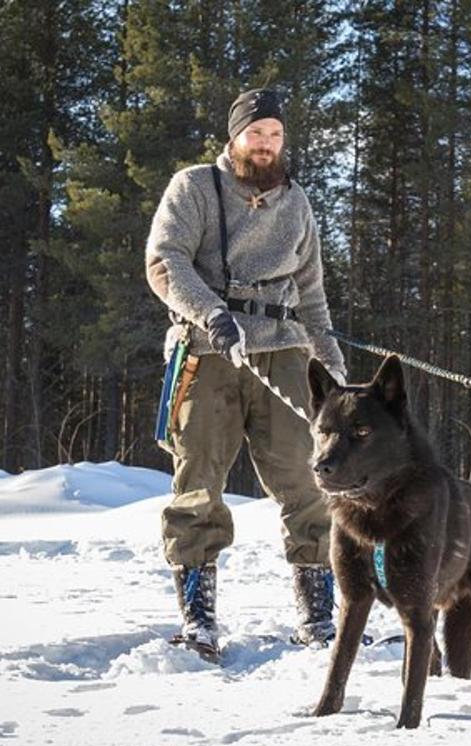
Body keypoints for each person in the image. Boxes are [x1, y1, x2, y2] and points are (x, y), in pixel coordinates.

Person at [144, 88, 345, 661]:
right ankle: (199, 619)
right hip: (208, 352)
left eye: (276, 134)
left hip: (284, 352)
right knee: (199, 484)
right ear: (234, 137)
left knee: (308, 485)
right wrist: (211, 313)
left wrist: (331, 370)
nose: (266, 144)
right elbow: (165, 262)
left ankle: (318, 617)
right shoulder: (195, 187)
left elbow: (311, 294)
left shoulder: (297, 202)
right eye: (256, 133)